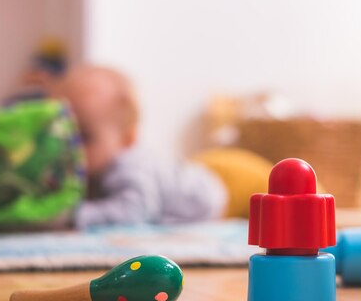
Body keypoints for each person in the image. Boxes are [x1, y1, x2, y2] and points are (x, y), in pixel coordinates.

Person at [51, 65, 228, 228]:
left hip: (203, 193)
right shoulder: (92, 168)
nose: (69, 148)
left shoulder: (128, 165)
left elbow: (134, 212)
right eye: (62, 136)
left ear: (127, 138)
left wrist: (74, 215)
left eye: (83, 137)